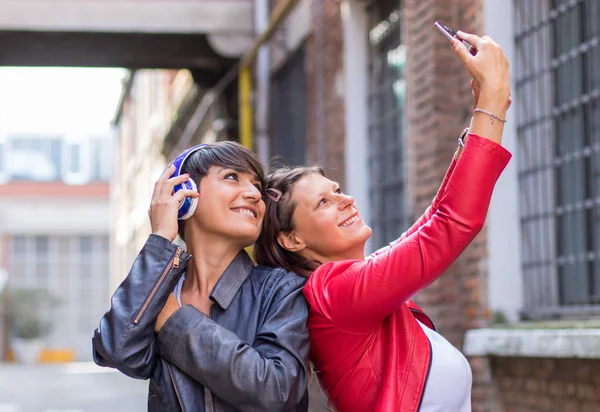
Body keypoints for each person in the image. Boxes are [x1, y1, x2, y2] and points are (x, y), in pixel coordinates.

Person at [254, 31, 512, 412]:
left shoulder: (358, 290)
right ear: (291, 240)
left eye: (337, 189)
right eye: (324, 202)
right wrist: (492, 103)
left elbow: (433, 219)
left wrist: (482, 115)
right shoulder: (331, 295)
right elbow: (448, 225)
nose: (345, 200)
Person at [92, 141, 310, 412]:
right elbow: (116, 350)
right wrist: (160, 238)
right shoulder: (161, 291)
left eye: (257, 185)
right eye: (232, 177)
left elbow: (278, 392)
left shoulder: (281, 288)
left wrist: (176, 321)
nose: (254, 193)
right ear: (185, 195)